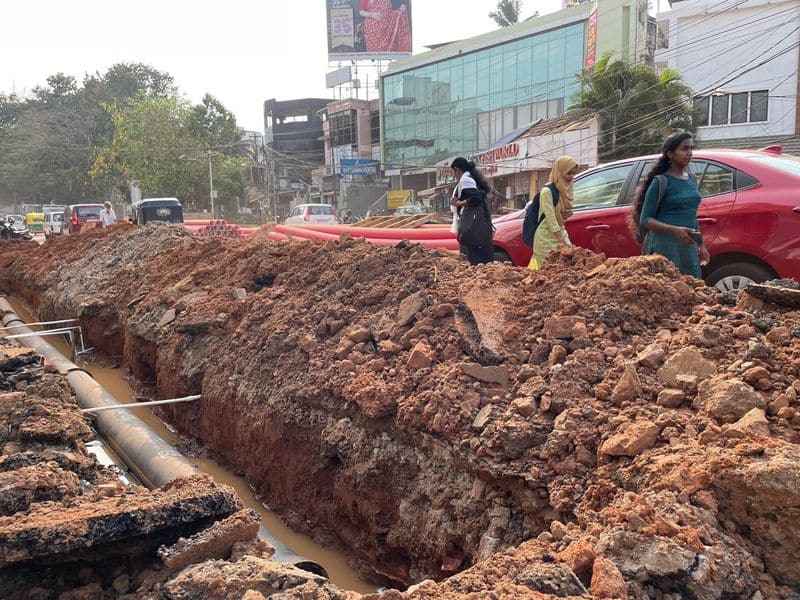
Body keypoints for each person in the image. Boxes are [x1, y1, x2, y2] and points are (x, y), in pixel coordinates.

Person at [633, 132, 709, 278]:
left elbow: (691, 215)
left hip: (687, 248)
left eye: (691, 148)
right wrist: (675, 230)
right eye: (684, 149)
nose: (689, 153)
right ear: (670, 154)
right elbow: (645, 219)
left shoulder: (691, 179)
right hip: (664, 247)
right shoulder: (660, 182)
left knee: (691, 290)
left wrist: (701, 244)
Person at [529, 156, 579, 270]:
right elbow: (551, 219)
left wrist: (568, 213)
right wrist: (561, 242)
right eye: (569, 173)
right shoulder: (547, 192)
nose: (571, 177)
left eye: (573, 173)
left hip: (560, 231)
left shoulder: (564, 188)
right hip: (545, 238)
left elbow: (561, 213)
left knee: (568, 268)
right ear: (560, 171)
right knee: (549, 271)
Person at [450, 157, 493, 265]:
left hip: (472, 226)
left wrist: (459, 203)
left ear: (457, 170)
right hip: (479, 224)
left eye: (453, 172)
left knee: (474, 258)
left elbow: (476, 198)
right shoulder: (470, 178)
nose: (454, 175)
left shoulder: (466, 180)